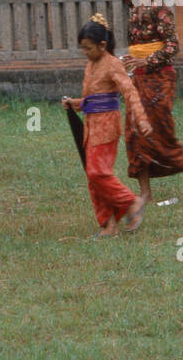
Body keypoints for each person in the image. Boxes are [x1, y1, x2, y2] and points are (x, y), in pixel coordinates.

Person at [104, 0, 183, 200]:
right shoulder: (132, 1)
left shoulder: (160, 8)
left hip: (160, 77)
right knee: (135, 131)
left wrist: (144, 60)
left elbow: (173, 46)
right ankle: (145, 192)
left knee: (160, 130)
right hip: (137, 77)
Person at [62, 13, 152, 237]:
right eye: (82, 48)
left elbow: (129, 92)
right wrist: (76, 104)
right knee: (93, 179)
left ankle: (132, 202)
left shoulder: (113, 65)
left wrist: (141, 119)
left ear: (103, 45)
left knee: (97, 173)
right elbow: (94, 98)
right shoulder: (90, 65)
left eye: (88, 48)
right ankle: (108, 225)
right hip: (90, 127)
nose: (85, 52)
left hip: (107, 127)